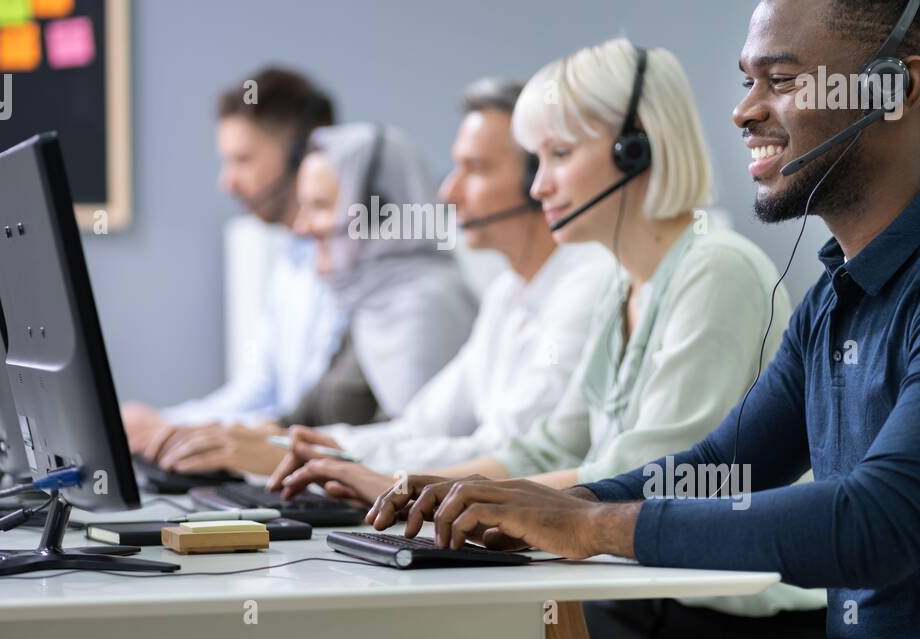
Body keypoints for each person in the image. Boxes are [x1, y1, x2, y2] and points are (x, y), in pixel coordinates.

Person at [367, 0, 920, 639]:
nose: (744, 110)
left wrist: (592, 529)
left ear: (896, 88)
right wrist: (558, 503)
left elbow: (879, 523)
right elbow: (721, 464)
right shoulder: (833, 300)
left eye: (781, 80)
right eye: (747, 79)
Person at [276, 38, 826, 639]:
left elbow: (655, 476)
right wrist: (423, 488)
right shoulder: (622, 279)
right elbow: (551, 446)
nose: (538, 187)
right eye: (536, 160)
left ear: (636, 150)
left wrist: (490, 503)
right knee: (358, 632)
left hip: (717, 623)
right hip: (630, 594)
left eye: (559, 155)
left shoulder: (716, 271)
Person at [171, 78, 613, 481]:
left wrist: (325, 461)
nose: (447, 192)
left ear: (535, 179)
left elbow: (510, 454)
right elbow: (421, 425)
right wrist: (306, 450)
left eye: (475, 168)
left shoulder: (583, 287)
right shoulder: (507, 294)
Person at [141, 122, 480, 474]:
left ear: (380, 212)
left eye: (319, 206)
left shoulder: (428, 303)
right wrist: (218, 437)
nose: (301, 227)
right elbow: (303, 416)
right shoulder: (372, 299)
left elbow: (420, 452)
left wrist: (287, 451)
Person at [121, 67, 345, 452]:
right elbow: (260, 390)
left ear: (300, 154)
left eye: (243, 160)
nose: (227, 182)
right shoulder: (290, 259)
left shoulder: (349, 264)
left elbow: (312, 414)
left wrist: (176, 428)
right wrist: (165, 424)